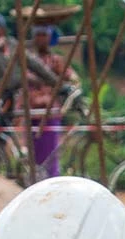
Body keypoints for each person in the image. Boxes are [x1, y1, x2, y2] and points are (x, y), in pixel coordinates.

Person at [22, 25, 80, 178]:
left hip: (50, 115)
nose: (40, 38)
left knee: (51, 156)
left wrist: (70, 85)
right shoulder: (27, 61)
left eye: (44, 35)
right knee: (32, 156)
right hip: (32, 114)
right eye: (38, 35)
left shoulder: (56, 61)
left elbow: (73, 77)